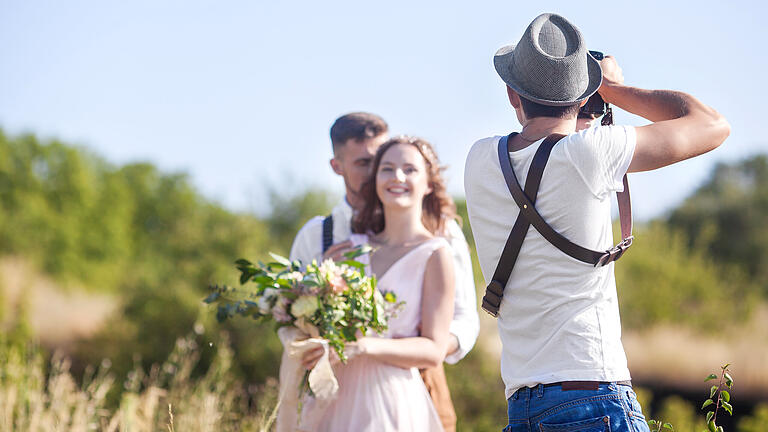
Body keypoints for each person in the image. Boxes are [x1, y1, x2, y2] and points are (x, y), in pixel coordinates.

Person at [463, 13, 730, 432]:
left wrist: (587, 109)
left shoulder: (480, 160)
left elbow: (547, 156)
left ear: (512, 95)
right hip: (593, 393)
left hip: (522, 403)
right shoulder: (592, 154)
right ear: (583, 94)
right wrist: (612, 89)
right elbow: (712, 124)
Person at [290, 112, 479, 431]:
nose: (388, 174)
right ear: (338, 167)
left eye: (389, 161)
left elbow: (464, 321)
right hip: (337, 389)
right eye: (368, 164)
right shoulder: (323, 236)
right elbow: (292, 314)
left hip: (415, 383)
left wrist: (402, 346)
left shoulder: (441, 236)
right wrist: (320, 290)